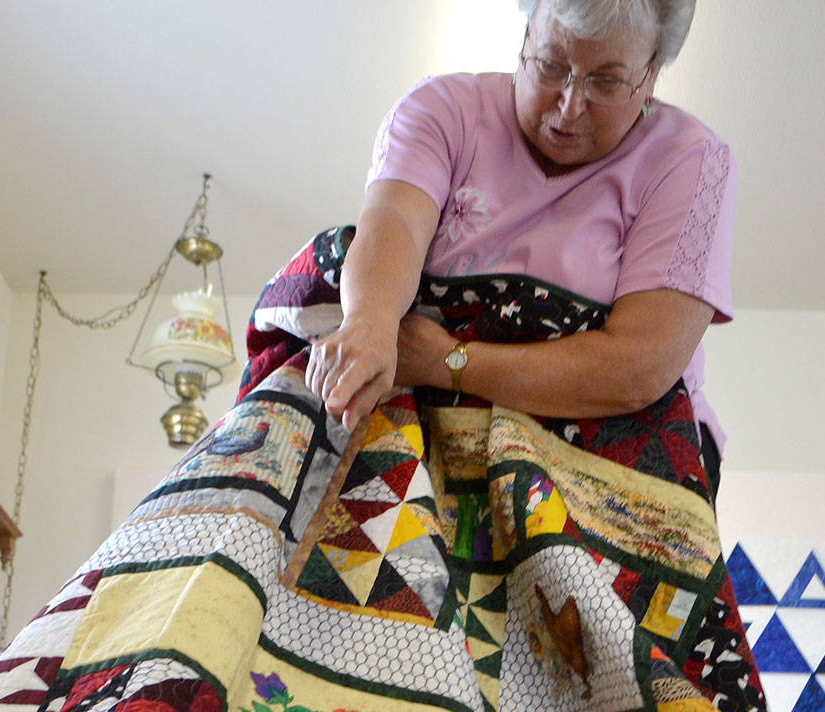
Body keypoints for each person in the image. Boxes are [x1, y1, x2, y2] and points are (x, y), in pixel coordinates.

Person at [306, 0, 735, 480]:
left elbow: (639, 367)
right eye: (552, 66)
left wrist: (445, 361)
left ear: (651, 73)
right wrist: (370, 321)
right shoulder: (443, 110)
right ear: (526, 36)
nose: (570, 106)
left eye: (606, 82)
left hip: (606, 451)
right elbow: (394, 222)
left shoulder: (690, 160)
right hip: (425, 428)